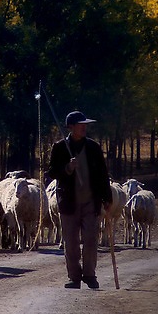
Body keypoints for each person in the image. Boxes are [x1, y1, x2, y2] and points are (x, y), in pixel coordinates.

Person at [47, 111, 113, 289]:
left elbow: (102, 174)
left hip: (91, 201)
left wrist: (107, 197)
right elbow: (51, 173)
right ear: (71, 127)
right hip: (69, 202)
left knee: (91, 239)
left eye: (85, 124)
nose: (84, 127)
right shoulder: (60, 147)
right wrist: (68, 167)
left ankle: (90, 275)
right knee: (71, 242)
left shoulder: (93, 147)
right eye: (80, 124)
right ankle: (74, 277)